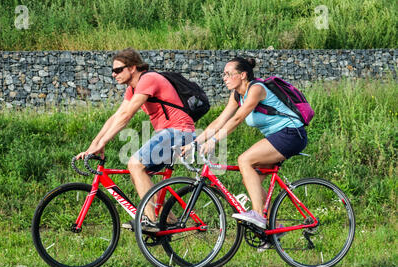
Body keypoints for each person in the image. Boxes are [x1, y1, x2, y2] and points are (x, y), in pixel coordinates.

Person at [76, 48, 195, 231]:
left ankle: (151, 220)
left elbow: (127, 116)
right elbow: (117, 115)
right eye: (112, 71)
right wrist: (94, 145)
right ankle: (167, 220)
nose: (114, 74)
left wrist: (103, 143)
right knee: (138, 173)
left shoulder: (148, 79)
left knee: (135, 164)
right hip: (169, 134)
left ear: (132, 68)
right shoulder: (133, 88)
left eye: (118, 70)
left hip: (178, 131)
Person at [182, 57, 307, 230]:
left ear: (242, 75)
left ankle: (257, 214)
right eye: (223, 74)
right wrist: (194, 144)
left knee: (244, 160)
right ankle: (273, 228)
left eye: (228, 74)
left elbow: (238, 118)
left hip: (291, 134)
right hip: (278, 137)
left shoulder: (256, 89)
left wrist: (214, 141)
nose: (224, 78)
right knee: (251, 179)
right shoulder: (236, 96)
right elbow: (219, 121)